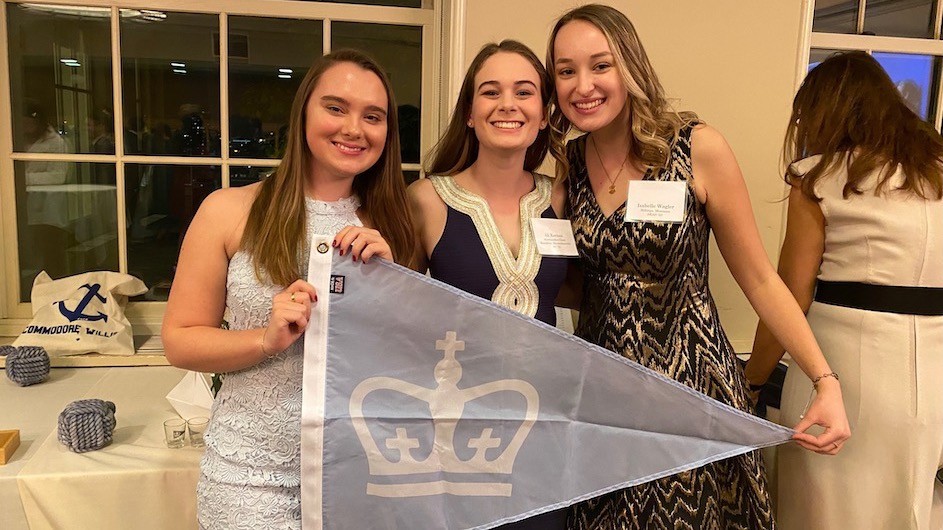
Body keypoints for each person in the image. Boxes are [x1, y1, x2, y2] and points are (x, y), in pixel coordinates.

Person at [546, 5, 851, 529]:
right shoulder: (565, 165)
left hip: (692, 387)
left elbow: (758, 277)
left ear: (631, 66)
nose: (583, 85)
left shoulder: (694, 147)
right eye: (566, 70)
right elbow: (572, 284)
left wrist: (825, 380)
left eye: (601, 65)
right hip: (602, 392)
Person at [162, 49, 414, 529]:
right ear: (304, 113)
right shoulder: (228, 210)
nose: (354, 128)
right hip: (248, 478)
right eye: (335, 108)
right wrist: (262, 339)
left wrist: (391, 285)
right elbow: (179, 338)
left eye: (373, 116)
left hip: (363, 475)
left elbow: (409, 360)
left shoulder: (396, 225)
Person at [745, 51, 943, 530]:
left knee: (825, 510)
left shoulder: (819, 179)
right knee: (909, 505)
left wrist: (751, 377)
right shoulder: (935, 171)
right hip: (930, 374)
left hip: (842, 369)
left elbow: (791, 292)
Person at [407, 40, 568, 528]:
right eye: (490, 92)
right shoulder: (427, 199)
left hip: (545, 423)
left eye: (524, 92)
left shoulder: (562, 195)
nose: (507, 104)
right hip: (457, 430)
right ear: (470, 114)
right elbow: (398, 314)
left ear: (543, 115)